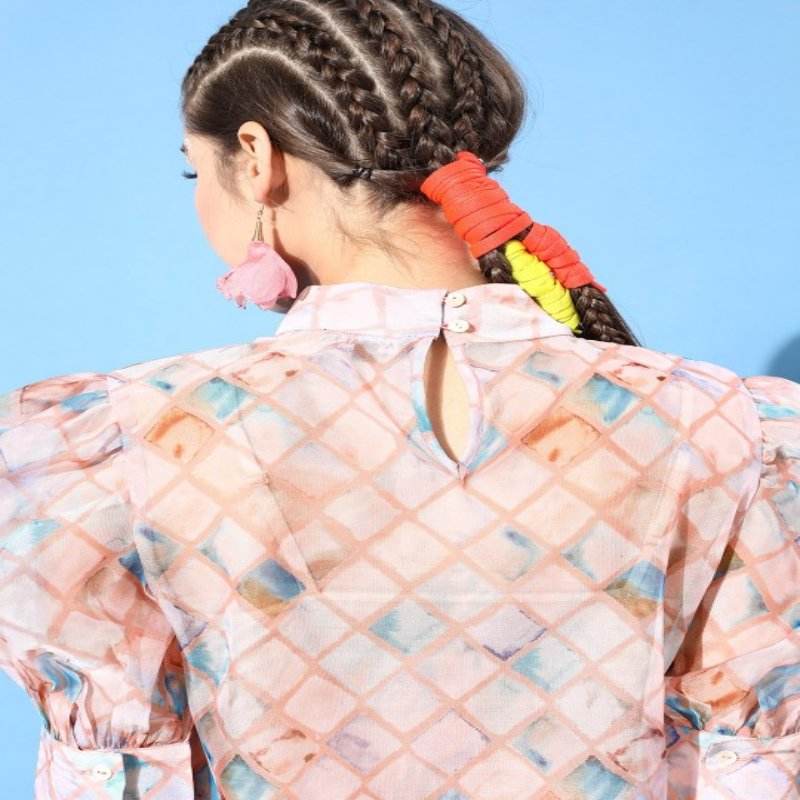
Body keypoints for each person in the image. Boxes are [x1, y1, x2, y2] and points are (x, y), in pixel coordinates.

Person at [1, 1, 798, 798]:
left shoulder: (125, 437)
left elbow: (118, 774)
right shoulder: (727, 426)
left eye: (194, 170)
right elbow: (754, 768)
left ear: (256, 158)